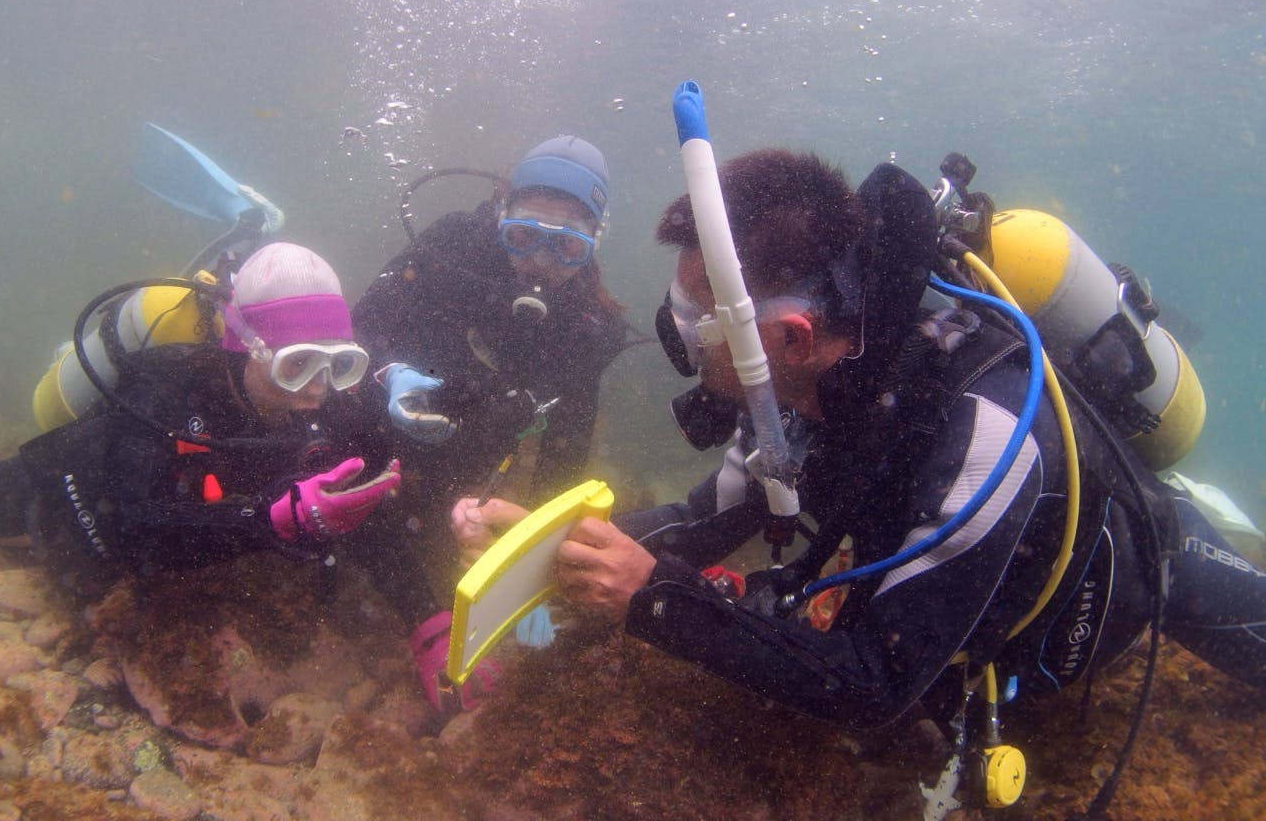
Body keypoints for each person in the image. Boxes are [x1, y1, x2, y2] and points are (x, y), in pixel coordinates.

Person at [453, 148, 1266, 802]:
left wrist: (655, 599)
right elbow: (705, 521)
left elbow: (876, 683)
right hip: (953, 613)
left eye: (697, 323)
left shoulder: (988, 434)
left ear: (793, 337)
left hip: (1113, 597)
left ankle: (1190, 514)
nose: (685, 344)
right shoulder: (791, 398)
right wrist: (538, 540)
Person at [0, 242, 443, 627]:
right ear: (245, 346)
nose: (317, 390)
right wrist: (267, 522)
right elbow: (128, 526)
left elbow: (371, 506)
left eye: (339, 364)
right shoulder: (169, 389)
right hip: (64, 493)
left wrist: (430, 623)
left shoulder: (326, 401)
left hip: (197, 509)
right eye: (295, 364)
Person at [352, 135, 632, 709]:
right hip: (385, 414)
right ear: (500, 214)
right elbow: (360, 327)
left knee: (449, 509)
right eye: (524, 236)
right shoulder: (450, 246)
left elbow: (566, 450)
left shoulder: (587, 321)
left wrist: (535, 572)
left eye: (567, 248)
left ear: (594, 244)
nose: (540, 263)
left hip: (468, 448)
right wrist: (388, 375)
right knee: (347, 451)